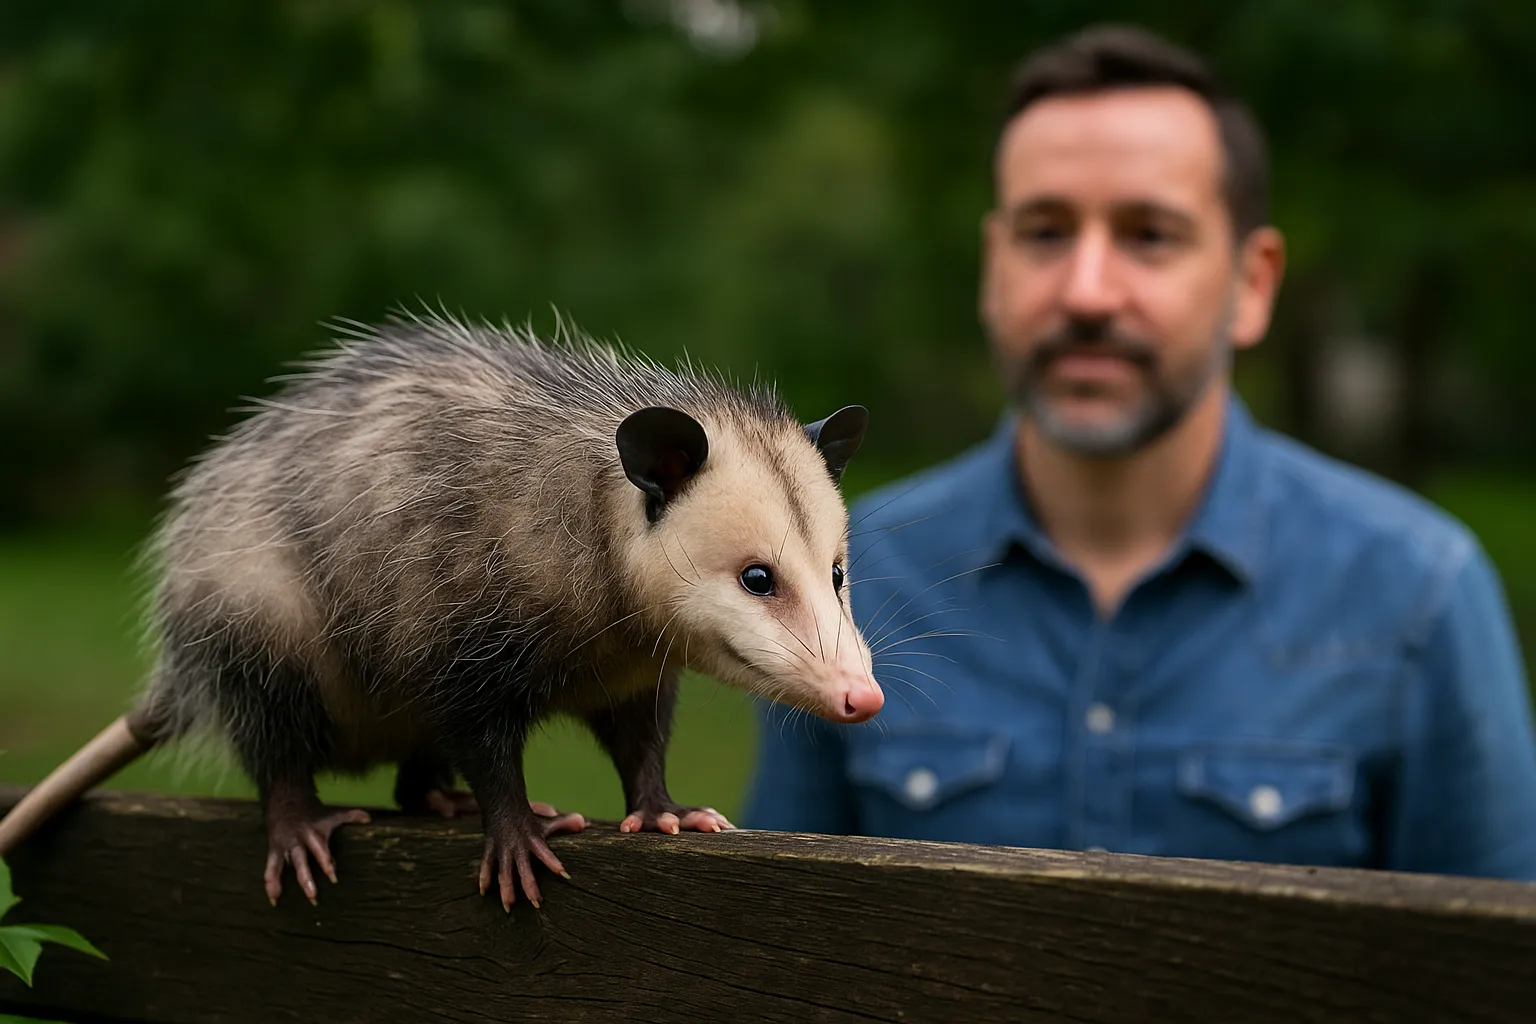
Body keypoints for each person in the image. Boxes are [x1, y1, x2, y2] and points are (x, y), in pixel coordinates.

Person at [740, 23, 1536, 879]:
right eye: (1044, 232)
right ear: (993, 267)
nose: (1086, 291)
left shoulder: (1416, 591)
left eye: (1150, 234)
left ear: (1253, 284)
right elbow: (774, 945)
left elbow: (1490, 971)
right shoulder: (864, 568)